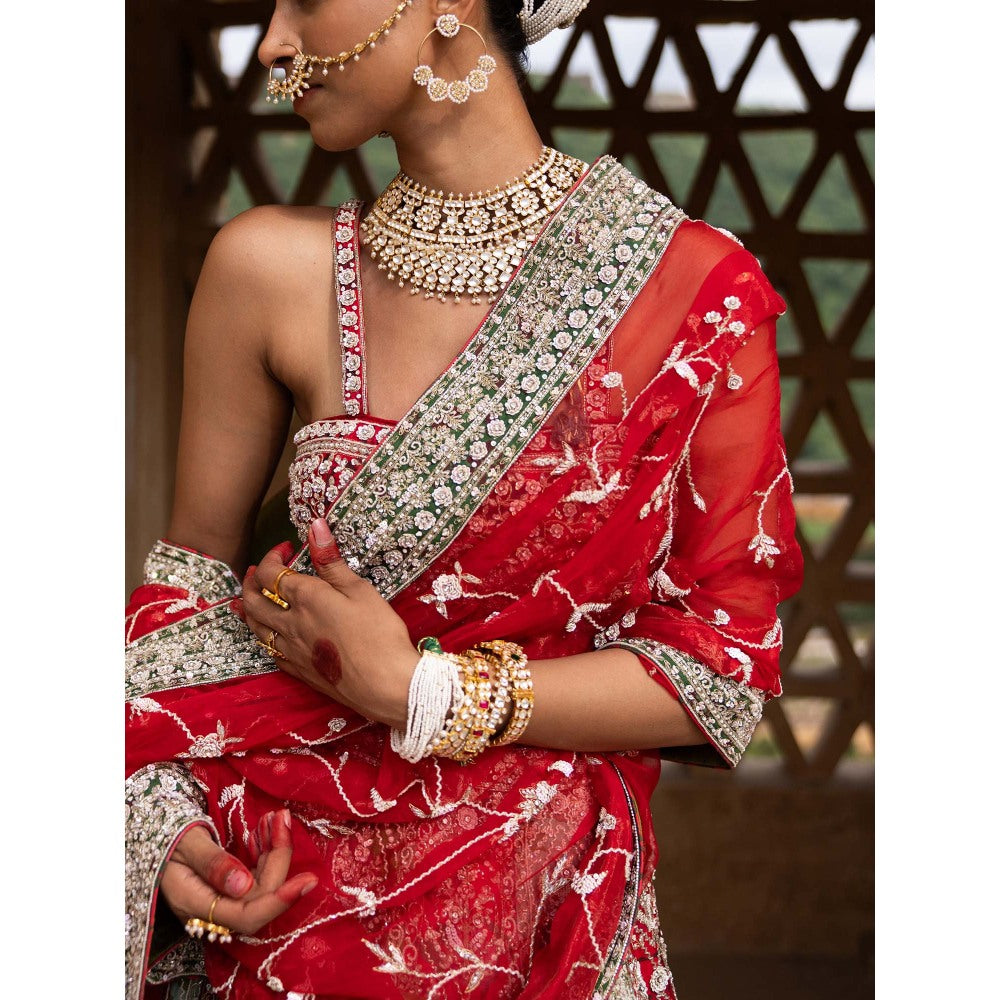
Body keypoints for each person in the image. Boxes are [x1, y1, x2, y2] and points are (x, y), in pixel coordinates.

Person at [125, 0, 803, 997]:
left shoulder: (694, 294)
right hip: (278, 912)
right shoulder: (266, 270)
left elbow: (717, 675)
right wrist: (161, 823)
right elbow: (181, 610)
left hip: (547, 928)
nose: (272, 42)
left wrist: (424, 692)